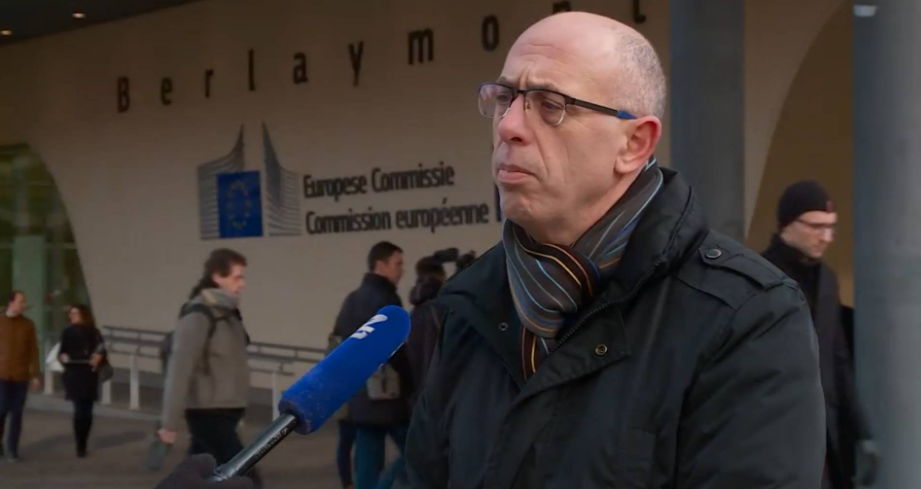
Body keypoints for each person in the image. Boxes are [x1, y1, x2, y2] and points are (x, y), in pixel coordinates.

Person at [394, 12, 824, 489]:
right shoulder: (471, 304)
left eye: (550, 104)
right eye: (504, 98)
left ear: (635, 144)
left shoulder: (748, 317)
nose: (510, 126)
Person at [762, 180, 879, 489]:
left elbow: (838, 360)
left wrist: (862, 432)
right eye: (816, 226)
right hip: (776, 434)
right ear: (787, 224)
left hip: (827, 435)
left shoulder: (827, 279)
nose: (826, 237)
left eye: (830, 227)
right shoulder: (759, 276)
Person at [158, 249, 257, 484]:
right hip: (208, 412)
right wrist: (169, 424)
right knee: (245, 475)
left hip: (226, 411)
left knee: (199, 473)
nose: (242, 284)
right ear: (217, 277)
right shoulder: (198, 315)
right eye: (237, 277)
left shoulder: (229, 313)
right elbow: (180, 370)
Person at [333, 241, 411, 489]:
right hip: (388, 393)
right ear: (380, 265)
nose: (402, 270)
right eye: (397, 264)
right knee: (417, 451)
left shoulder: (352, 300)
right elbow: (396, 349)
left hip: (360, 394)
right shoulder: (387, 299)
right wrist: (412, 380)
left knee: (367, 461)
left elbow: (339, 338)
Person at [58, 304, 107, 457]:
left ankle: (83, 441)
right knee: (79, 409)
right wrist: (63, 357)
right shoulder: (67, 331)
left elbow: (101, 348)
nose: (72, 316)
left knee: (88, 410)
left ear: (83, 315)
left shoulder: (93, 332)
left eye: (75, 313)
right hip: (74, 373)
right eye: (71, 313)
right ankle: (80, 445)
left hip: (88, 373)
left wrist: (98, 357)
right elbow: (62, 351)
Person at [0, 290, 41, 462]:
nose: (23, 304)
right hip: (2, 375)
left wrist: (35, 374)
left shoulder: (28, 324)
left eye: (23, 301)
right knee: (1, 410)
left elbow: (33, 350)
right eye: (20, 301)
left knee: (17, 413)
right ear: (11, 303)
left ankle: (13, 450)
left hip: (21, 376)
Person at [405, 256, 447, 399]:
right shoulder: (441, 309)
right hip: (438, 395)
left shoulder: (415, 312)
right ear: (441, 276)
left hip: (417, 394)